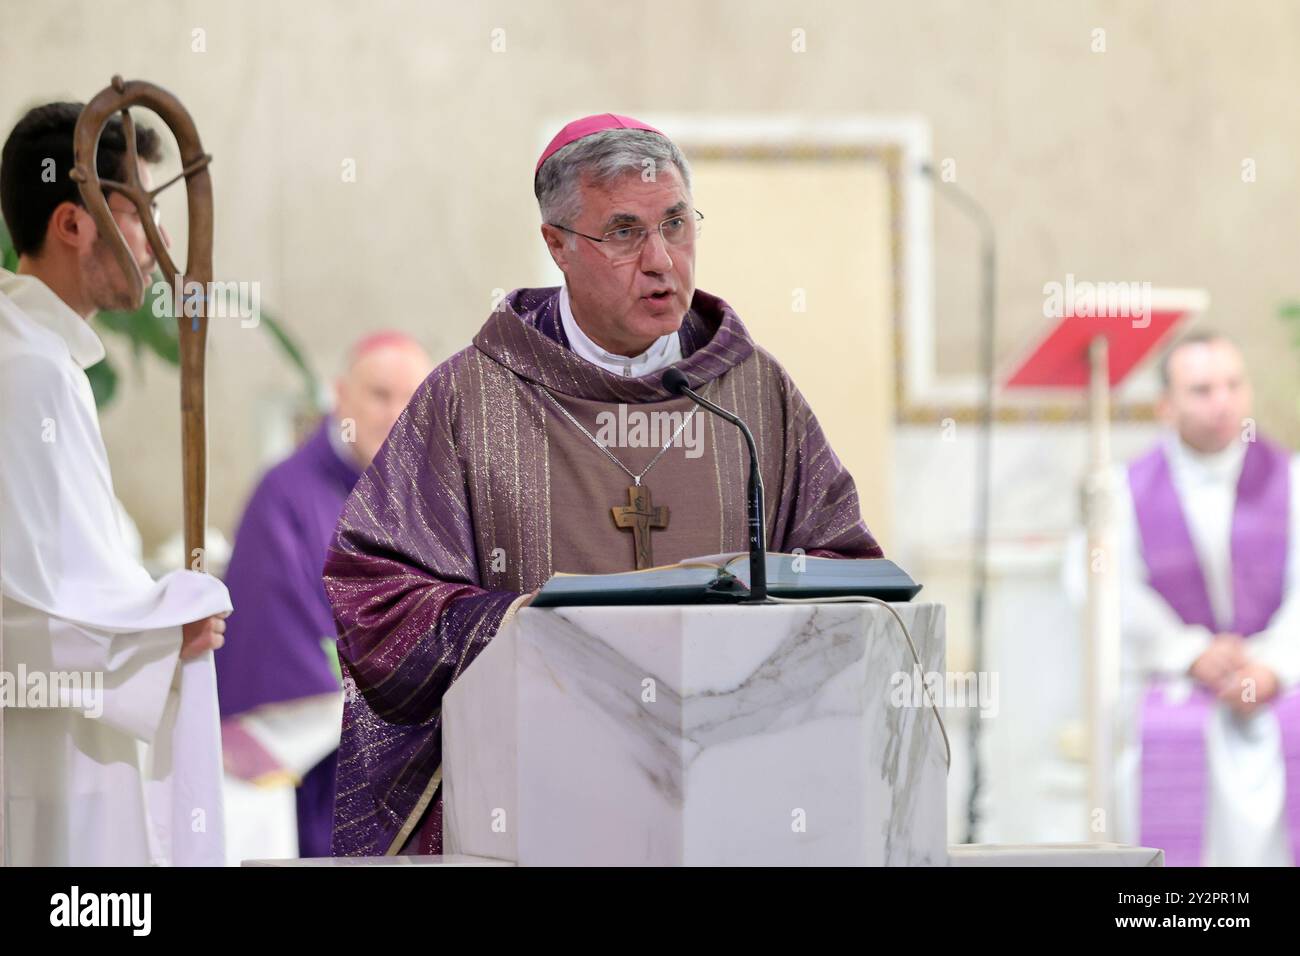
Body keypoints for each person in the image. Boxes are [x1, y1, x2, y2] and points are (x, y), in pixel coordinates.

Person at [323, 113, 884, 856]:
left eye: (677, 225)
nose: (661, 261)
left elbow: (847, 574)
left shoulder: (751, 397)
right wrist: (523, 626)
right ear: (557, 245)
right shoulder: (472, 398)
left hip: (728, 807)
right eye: (623, 233)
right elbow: (374, 592)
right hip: (532, 810)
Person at [0, 102, 230, 865]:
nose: (163, 241)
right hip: (45, 767)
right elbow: (19, 617)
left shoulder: (39, 355)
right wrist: (161, 640)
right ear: (74, 223)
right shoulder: (25, 371)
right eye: (142, 213)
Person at [214, 331, 431, 862]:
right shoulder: (284, 495)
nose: (397, 415)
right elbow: (275, 635)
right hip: (326, 773)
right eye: (380, 396)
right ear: (340, 397)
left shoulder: (435, 492)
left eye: (413, 399)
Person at [1113, 331, 1300, 865]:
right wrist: (1188, 652)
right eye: (1202, 389)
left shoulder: (1291, 479)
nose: (1223, 402)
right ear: (1166, 406)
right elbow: (1110, 589)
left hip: (1278, 681)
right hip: (1174, 684)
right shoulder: (1126, 491)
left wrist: (1273, 666)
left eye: (1233, 385)